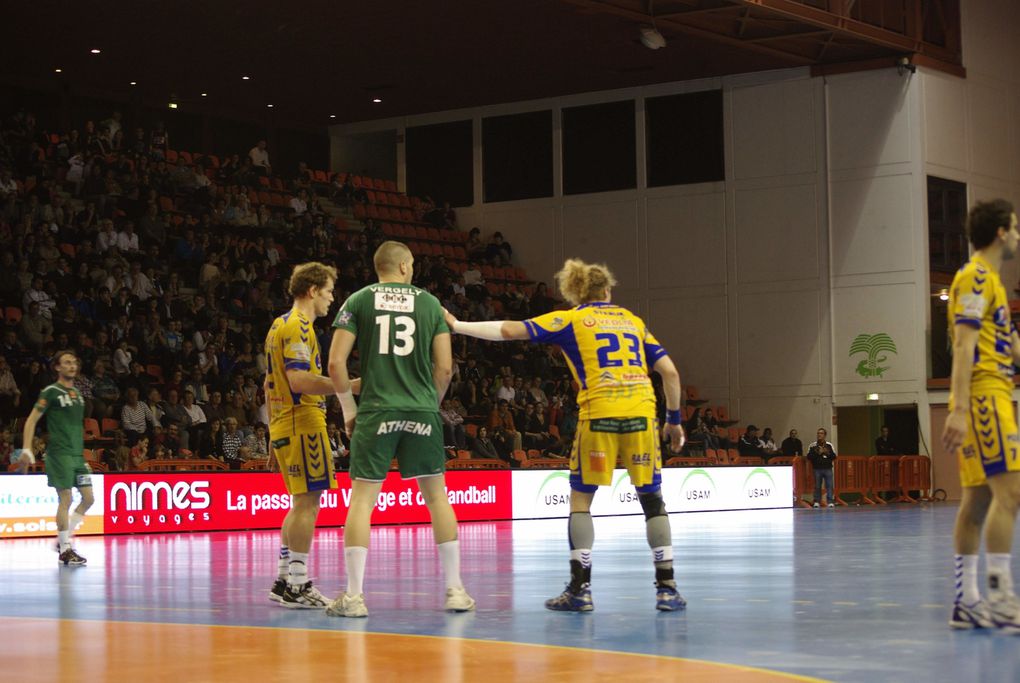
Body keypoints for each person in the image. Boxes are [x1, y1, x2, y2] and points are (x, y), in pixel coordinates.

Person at [445, 257, 686, 612]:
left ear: (578, 293)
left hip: (599, 415)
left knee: (581, 501)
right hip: (640, 415)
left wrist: (458, 325)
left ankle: (580, 589)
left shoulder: (572, 319)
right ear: (608, 290)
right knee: (652, 500)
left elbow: (511, 331)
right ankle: (667, 588)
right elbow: (671, 373)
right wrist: (674, 421)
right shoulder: (633, 322)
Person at [327, 240, 475, 617]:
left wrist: (348, 409)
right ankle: (456, 591)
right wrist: (431, 404)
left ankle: (354, 598)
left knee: (362, 501)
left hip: (376, 411)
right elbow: (444, 368)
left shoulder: (357, 300)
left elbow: (335, 363)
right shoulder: (429, 304)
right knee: (437, 498)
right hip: (422, 410)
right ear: (406, 267)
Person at [942, 199, 1020, 631]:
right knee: (1011, 494)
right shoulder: (974, 276)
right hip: (986, 396)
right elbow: (963, 345)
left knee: (978, 500)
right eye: (1017, 228)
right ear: (1002, 233)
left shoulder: (993, 283)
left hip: (994, 392)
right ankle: (1003, 598)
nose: (1019, 236)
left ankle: (967, 601)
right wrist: (958, 409)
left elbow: (1009, 344)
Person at [264, 262, 340, 609]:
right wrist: (347, 386)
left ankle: (284, 580)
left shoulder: (278, 325)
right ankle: (298, 584)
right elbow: (297, 381)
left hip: (283, 422)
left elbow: (270, 383)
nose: (331, 299)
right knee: (309, 504)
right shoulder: (298, 327)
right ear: (312, 291)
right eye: (327, 292)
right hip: (303, 421)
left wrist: (270, 429)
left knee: (299, 504)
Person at [20, 350, 93, 565]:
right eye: (67, 362)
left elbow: (76, 427)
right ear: (58, 367)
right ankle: (65, 550)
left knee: (89, 499)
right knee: (67, 499)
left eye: (74, 362)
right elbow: (31, 421)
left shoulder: (78, 394)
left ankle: (63, 540)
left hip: (77, 456)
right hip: (59, 454)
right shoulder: (50, 391)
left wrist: (82, 455)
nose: (72, 366)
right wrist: (26, 448)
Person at [806, 428, 836, 508]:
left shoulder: (829, 445)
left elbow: (834, 456)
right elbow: (809, 457)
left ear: (825, 435)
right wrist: (818, 453)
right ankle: (817, 501)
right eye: (818, 433)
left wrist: (826, 452)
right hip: (817, 469)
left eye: (821, 433)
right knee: (817, 486)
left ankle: (830, 501)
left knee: (829, 485)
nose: (819, 435)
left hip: (828, 468)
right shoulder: (813, 445)